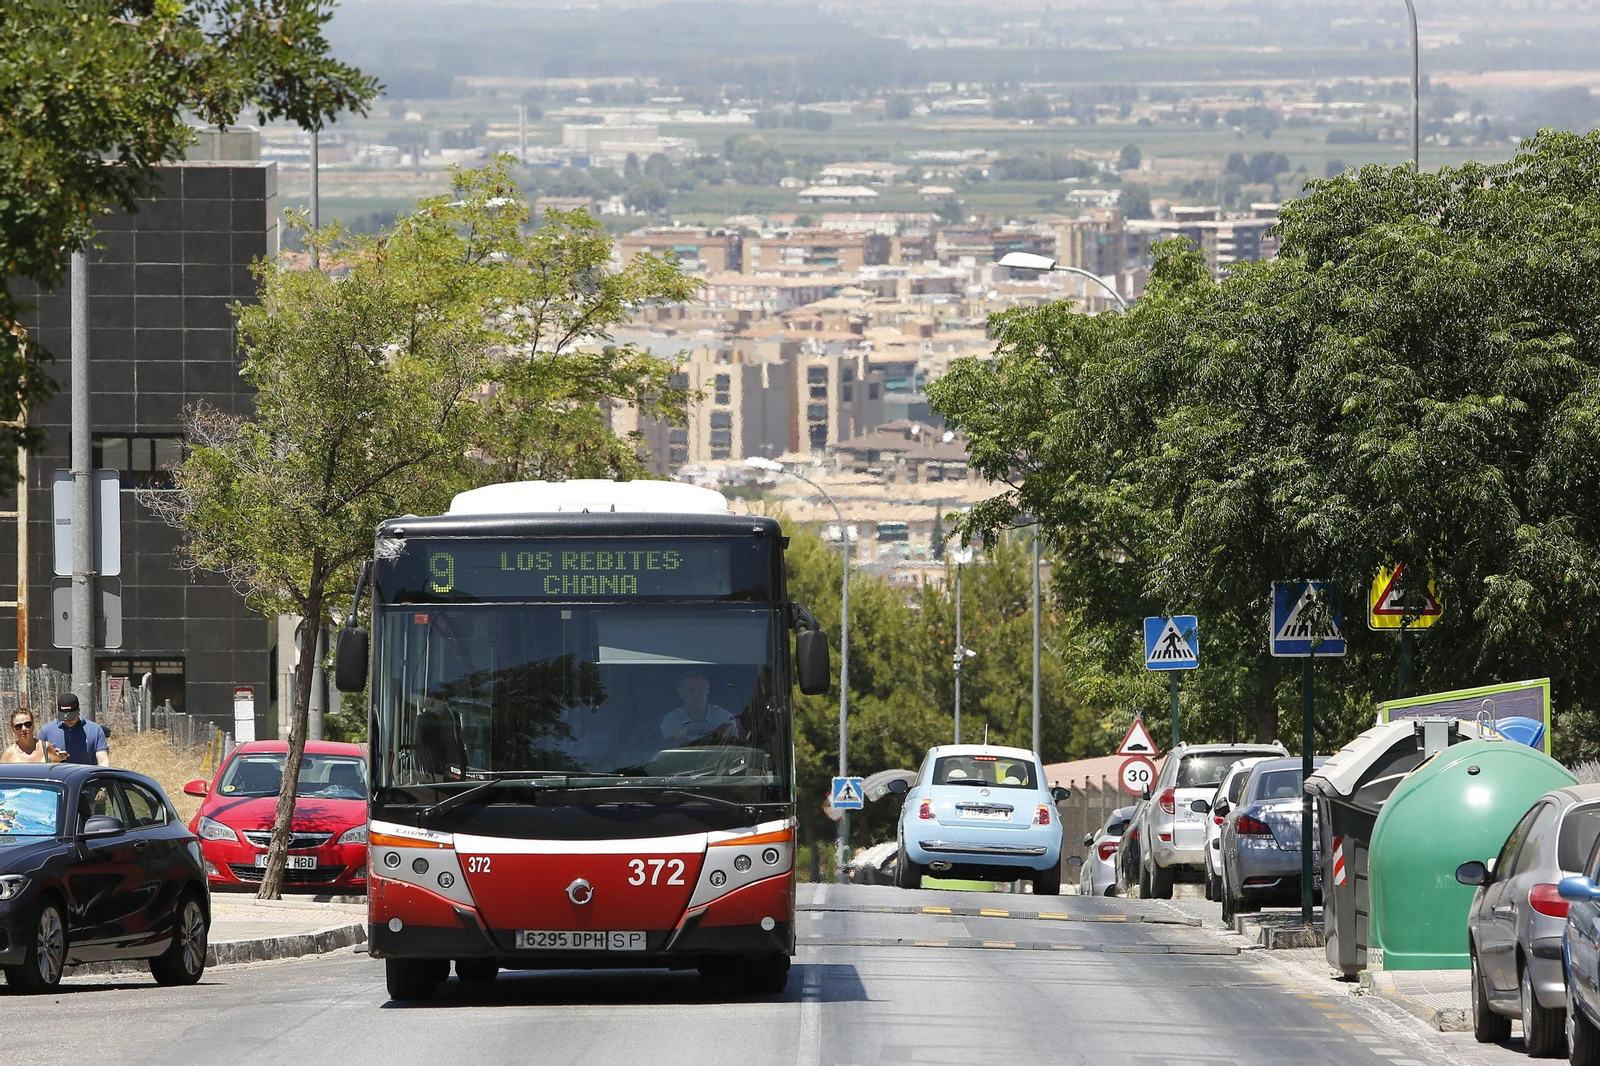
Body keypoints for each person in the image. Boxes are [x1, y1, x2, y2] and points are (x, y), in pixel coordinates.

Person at [659, 670, 735, 744]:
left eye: (701, 689)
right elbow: (665, 750)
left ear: (707, 690)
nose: (697, 695)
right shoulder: (671, 721)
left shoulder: (724, 718)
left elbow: (733, 746)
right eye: (691, 690)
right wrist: (678, 742)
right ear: (681, 693)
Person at [37, 694, 109, 766]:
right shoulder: (46, 731)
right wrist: (52, 756)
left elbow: (103, 762)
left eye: (71, 717)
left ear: (79, 710)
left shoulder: (95, 730)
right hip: (56, 776)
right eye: (64, 718)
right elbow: (36, 762)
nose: (68, 721)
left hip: (85, 776)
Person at [0, 707, 69, 764]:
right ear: (13, 729)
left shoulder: (46, 747)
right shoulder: (9, 753)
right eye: (19, 726)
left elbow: (56, 772)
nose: (24, 729)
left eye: (28, 724)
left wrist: (60, 757)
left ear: (33, 725)